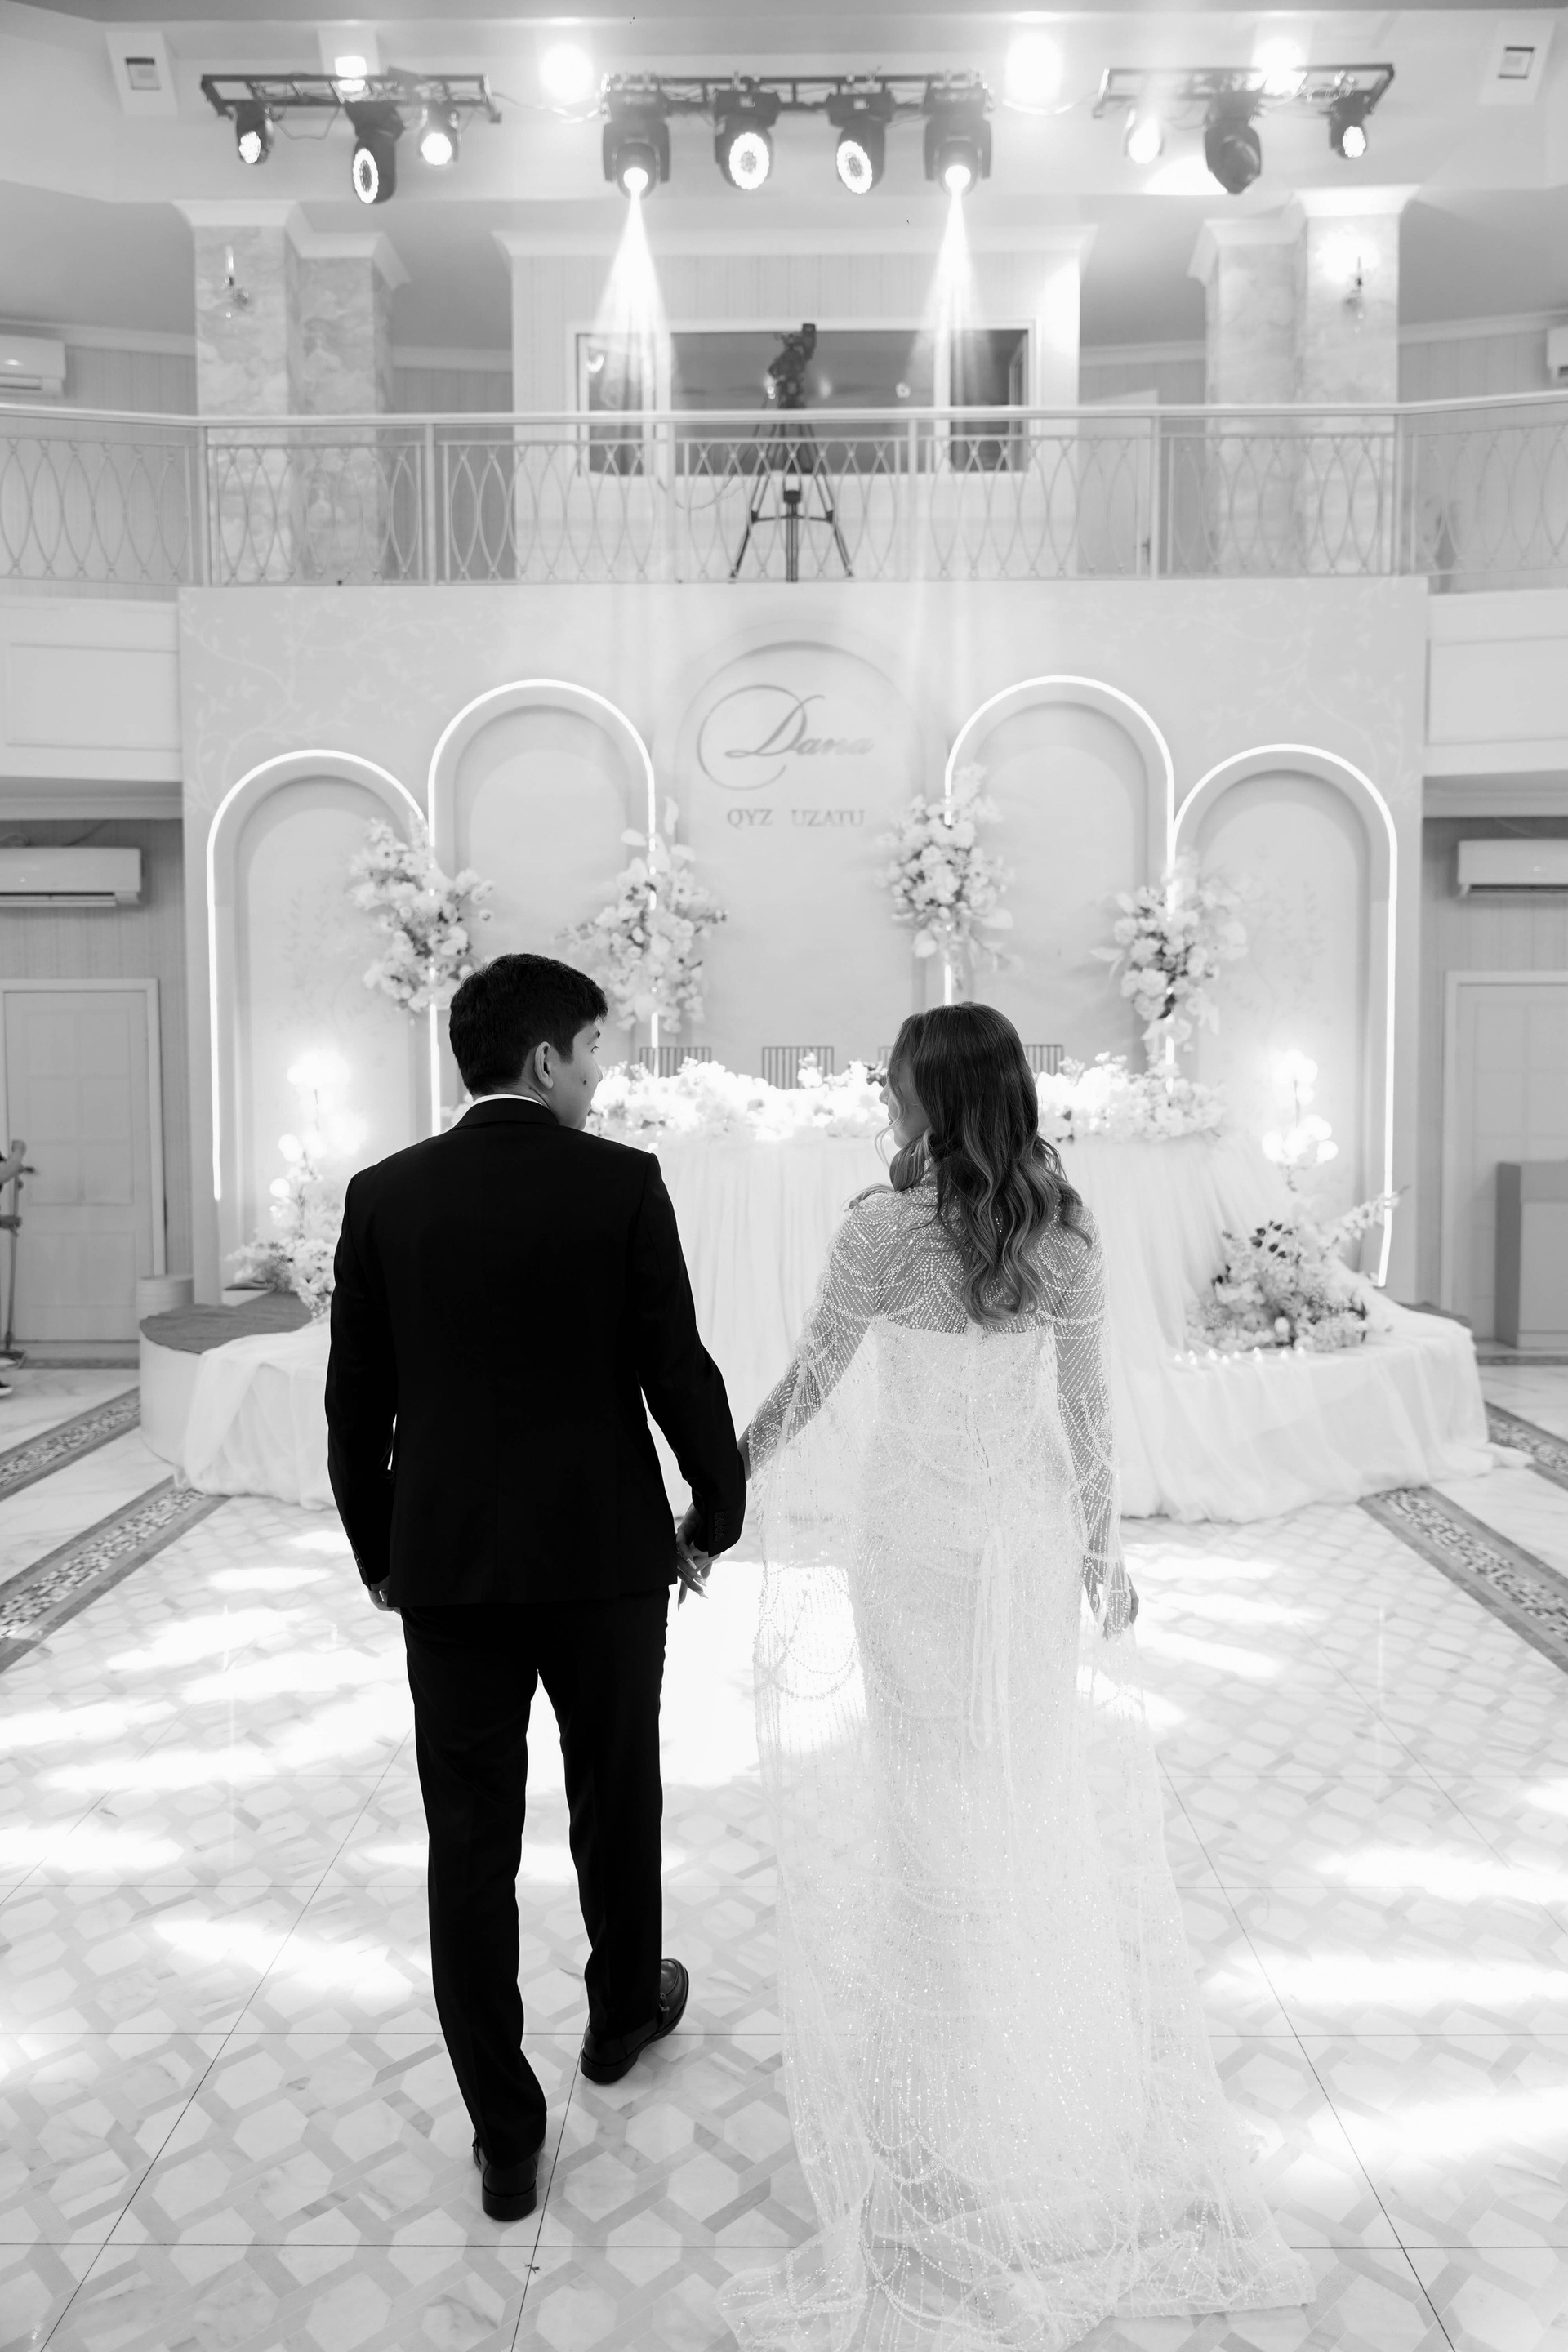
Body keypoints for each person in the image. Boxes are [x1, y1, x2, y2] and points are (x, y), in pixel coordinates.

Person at [715, 1004, 1312, 2352]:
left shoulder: (880, 1230)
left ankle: (949, 2065)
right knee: (1020, 1782)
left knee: (927, 1787)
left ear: (931, 1100)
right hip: (1027, 1540)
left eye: (894, 1084)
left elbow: (812, 1382)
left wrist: (719, 1489)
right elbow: (1090, 1411)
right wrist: (1102, 1549)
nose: (882, 1099)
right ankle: (1018, 2059)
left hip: (915, 1542)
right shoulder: (1066, 1229)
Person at [325, 953, 746, 2225]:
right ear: (548, 1059)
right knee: (618, 1792)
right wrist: (715, 1509)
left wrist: (380, 1550)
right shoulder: (620, 1184)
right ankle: (619, 2018)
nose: (602, 1074)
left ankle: (505, 2135)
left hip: (449, 1564)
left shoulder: (386, 1195)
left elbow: (356, 1404)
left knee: (469, 1838)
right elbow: (675, 1366)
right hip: (604, 1557)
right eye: (597, 1050)